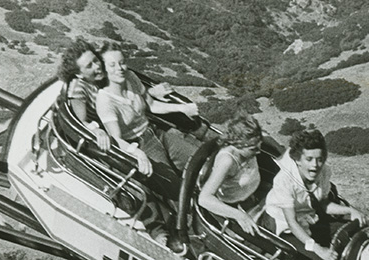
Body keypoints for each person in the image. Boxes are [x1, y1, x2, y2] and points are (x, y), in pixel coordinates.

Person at [96, 42, 200, 192]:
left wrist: (182, 108)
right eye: (112, 65)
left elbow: (151, 104)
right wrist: (139, 154)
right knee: (175, 187)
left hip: (156, 132)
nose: (119, 69)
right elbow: (116, 139)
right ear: (104, 70)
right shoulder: (105, 101)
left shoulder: (130, 77)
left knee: (198, 161)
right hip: (140, 144)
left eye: (122, 63)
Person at [265, 129, 364, 260]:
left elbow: (323, 204)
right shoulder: (284, 180)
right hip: (286, 228)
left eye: (320, 159)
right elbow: (292, 222)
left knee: (351, 238)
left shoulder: (324, 172)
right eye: (309, 159)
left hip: (309, 219)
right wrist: (317, 249)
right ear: (298, 159)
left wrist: (350, 211)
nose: (315, 165)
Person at [197, 112, 264, 235]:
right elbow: (204, 198)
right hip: (237, 207)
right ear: (238, 145)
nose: (259, 152)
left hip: (255, 198)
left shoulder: (249, 149)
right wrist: (239, 216)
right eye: (254, 149)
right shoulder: (227, 161)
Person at [57, 38, 110, 151]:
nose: (97, 66)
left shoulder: (99, 76)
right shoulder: (78, 89)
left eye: (95, 60)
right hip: (106, 126)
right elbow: (82, 122)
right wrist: (97, 131)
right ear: (79, 74)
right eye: (89, 66)